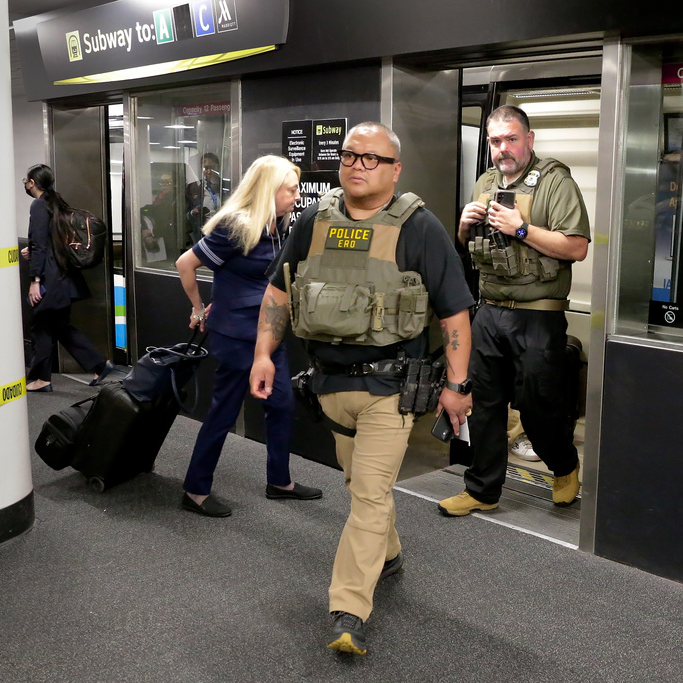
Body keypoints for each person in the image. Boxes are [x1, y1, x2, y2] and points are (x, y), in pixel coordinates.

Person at [249, 122, 474, 655]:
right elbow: (280, 294)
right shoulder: (314, 220)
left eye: (371, 159)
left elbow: (455, 313)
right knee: (359, 486)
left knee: (369, 495)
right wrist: (263, 353)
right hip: (328, 385)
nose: (356, 165)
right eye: (350, 155)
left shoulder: (420, 228)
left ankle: (349, 609)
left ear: (395, 171)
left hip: (391, 390)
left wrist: (459, 384)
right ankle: (389, 554)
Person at [438, 105, 591, 516]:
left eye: (511, 139)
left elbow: (576, 247)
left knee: (540, 407)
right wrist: (464, 226)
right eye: (495, 141)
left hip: (538, 314)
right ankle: (482, 491)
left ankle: (564, 465)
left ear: (529, 138)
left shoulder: (555, 182)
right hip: (488, 311)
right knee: (484, 405)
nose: (502, 148)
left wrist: (520, 228)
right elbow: (470, 247)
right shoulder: (485, 182)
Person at [176, 155, 322, 518]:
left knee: (282, 403)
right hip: (237, 333)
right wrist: (198, 309)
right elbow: (185, 264)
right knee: (223, 412)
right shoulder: (236, 226)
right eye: (290, 189)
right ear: (268, 190)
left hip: (269, 332)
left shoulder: (278, 226)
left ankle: (279, 481)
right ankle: (195, 490)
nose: (296, 195)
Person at [22, 164, 114, 393]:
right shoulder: (56, 203)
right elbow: (51, 242)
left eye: (26, 180)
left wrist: (35, 281)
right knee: (60, 326)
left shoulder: (39, 206)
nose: (25, 183)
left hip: (50, 279)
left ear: (32, 182)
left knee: (41, 325)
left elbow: (41, 244)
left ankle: (42, 379)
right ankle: (99, 364)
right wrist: (32, 251)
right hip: (64, 276)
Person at [186, 151, 227, 243]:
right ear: (201, 169)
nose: (209, 172)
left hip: (224, 233)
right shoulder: (193, 188)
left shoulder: (228, 186)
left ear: (218, 167)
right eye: (206, 168)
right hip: (202, 235)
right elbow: (184, 215)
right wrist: (194, 212)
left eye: (212, 168)